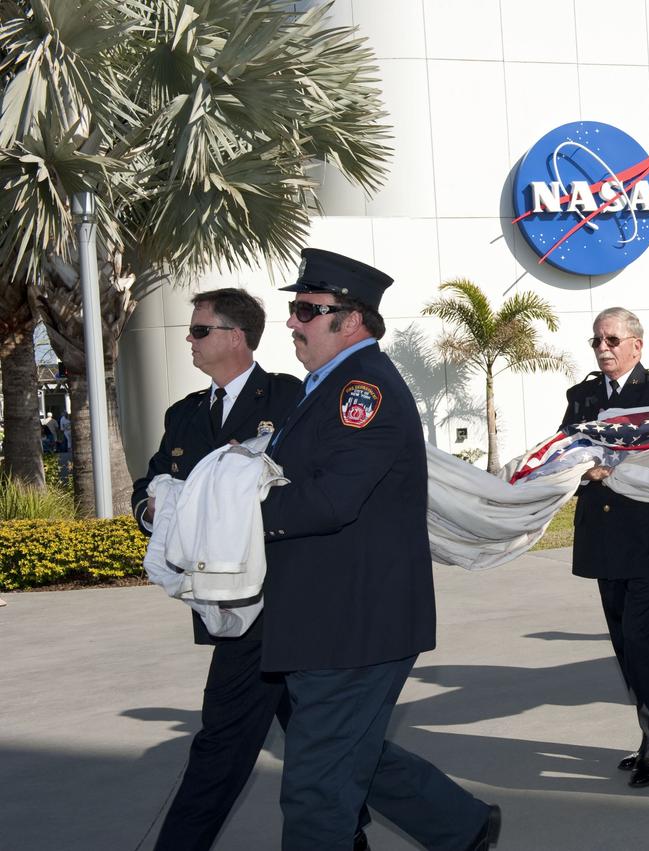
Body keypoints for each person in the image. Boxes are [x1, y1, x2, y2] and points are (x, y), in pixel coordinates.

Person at [261, 249, 500, 850]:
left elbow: (331, 500)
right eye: (295, 308)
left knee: (316, 787)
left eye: (308, 311)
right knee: (349, 752)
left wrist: (236, 514)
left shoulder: (362, 391)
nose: (293, 321)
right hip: (333, 618)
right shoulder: (328, 385)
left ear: (352, 320)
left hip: (353, 624)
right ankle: (461, 826)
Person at [130, 289, 309, 851]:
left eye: (200, 330)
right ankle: (454, 822)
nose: (190, 338)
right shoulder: (183, 415)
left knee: (222, 743)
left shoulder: (289, 396)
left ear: (236, 336)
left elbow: (304, 485)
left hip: (282, 596)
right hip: (223, 598)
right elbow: (151, 482)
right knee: (323, 740)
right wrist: (154, 506)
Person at [560, 307, 649, 788]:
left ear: (637, 344)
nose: (603, 349)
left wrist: (608, 465)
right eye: (597, 341)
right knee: (623, 641)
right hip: (604, 535)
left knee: (639, 636)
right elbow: (566, 451)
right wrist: (584, 467)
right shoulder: (583, 396)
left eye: (612, 340)